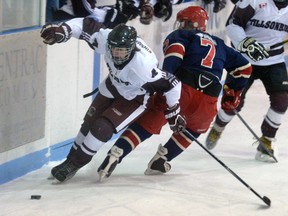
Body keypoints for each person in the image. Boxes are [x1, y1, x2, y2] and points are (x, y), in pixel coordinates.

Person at [97, 6, 252, 181]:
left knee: (147, 124)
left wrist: (162, 87)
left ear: (190, 23)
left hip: (181, 89)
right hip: (208, 100)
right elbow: (244, 68)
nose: (180, 25)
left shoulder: (181, 36)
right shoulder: (220, 44)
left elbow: (173, 61)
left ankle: (116, 154)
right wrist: (232, 93)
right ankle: (162, 159)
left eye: (183, 22)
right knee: (193, 128)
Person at [40, 19, 184, 182]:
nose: (116, 54)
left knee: (102, 127)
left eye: (122, 51)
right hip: (112, 85)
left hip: (134, 98)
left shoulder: (143, 66)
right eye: (114, 49)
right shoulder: (106, 38)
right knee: (89, 122)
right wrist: (63, 30)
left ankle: (75, 163)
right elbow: (85, 24)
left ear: (132, 49)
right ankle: (69, 160)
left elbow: (172, 83)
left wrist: (174, 111)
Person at [205, 0, 288, 162]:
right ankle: (218, 126)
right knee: (232, 101)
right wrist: (245, 42)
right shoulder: (255, 1)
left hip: (274, 61)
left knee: (282, 100)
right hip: (243, 59)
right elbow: (232, 25)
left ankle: (267, 140)